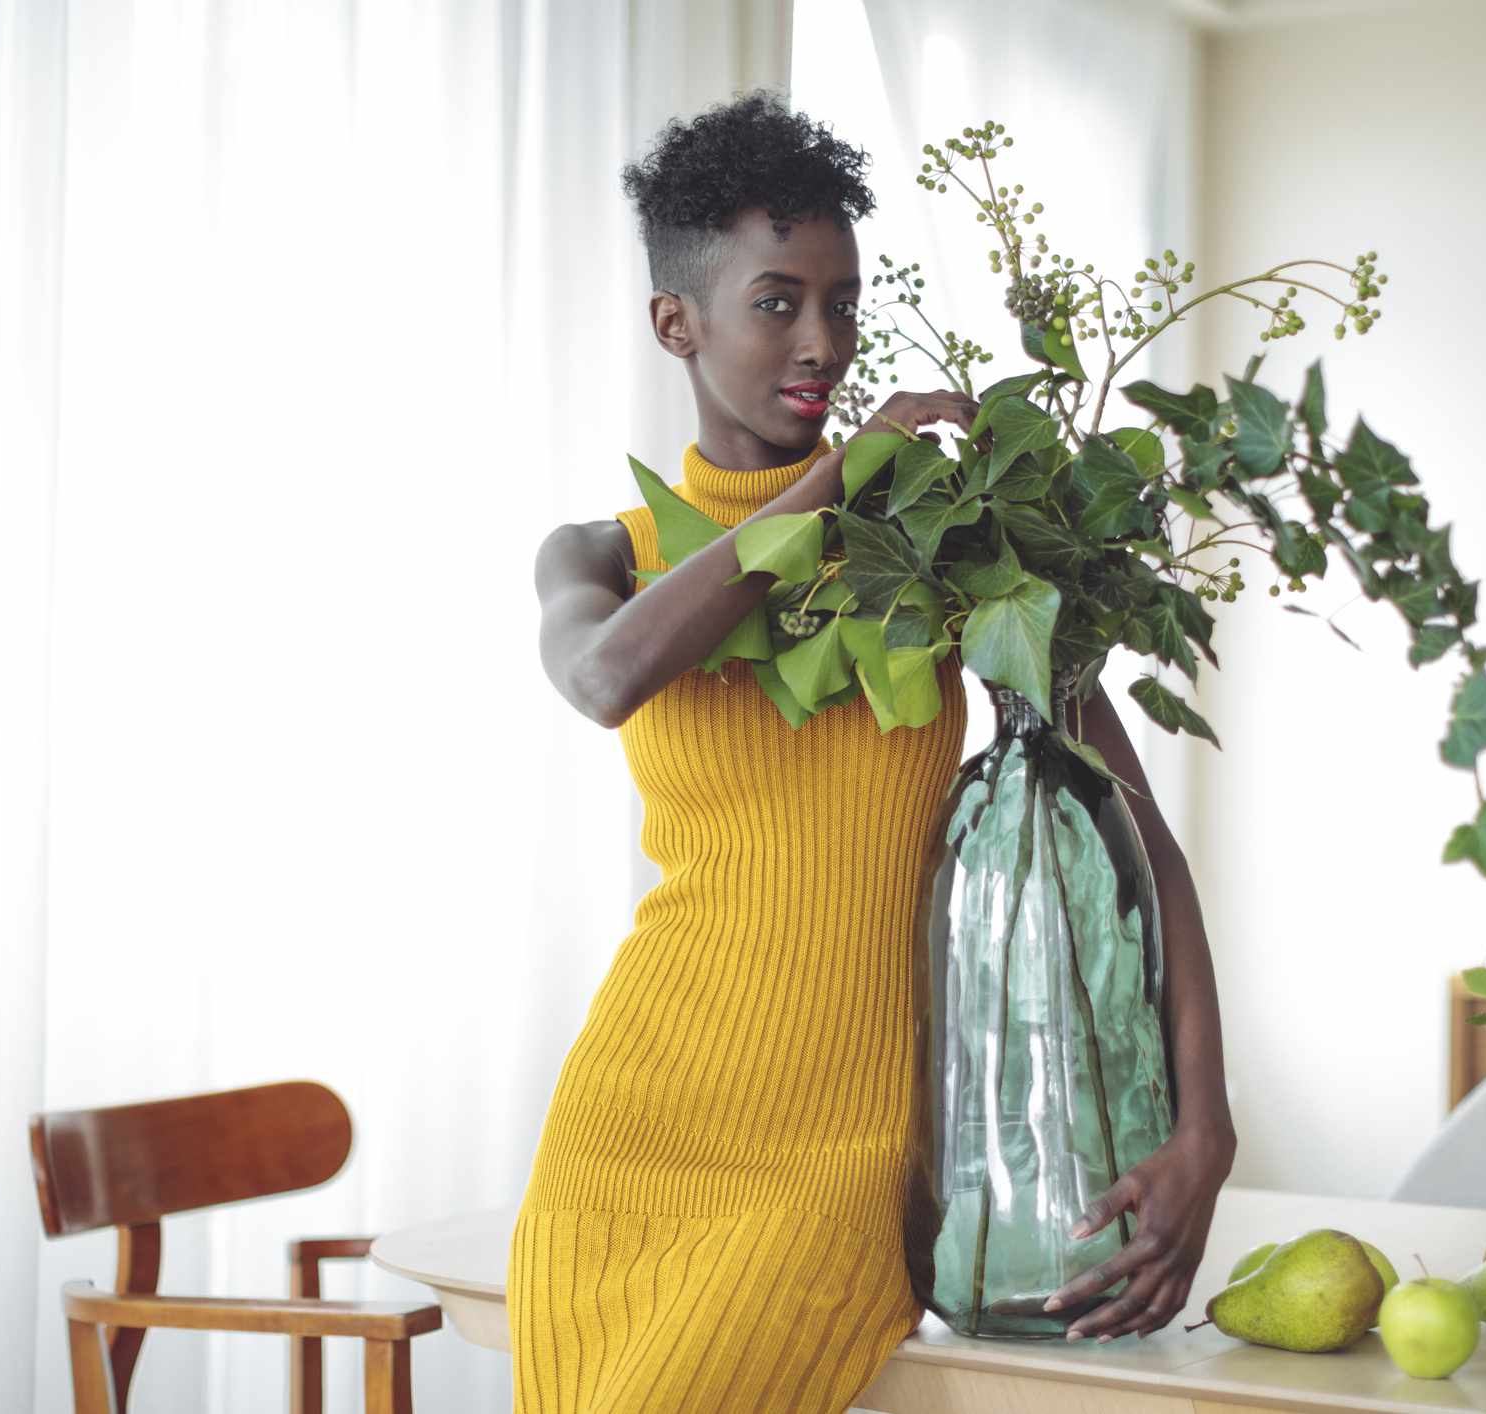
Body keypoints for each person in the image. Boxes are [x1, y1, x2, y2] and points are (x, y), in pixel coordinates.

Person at [513, 88, 1235, 1413]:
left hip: (842, 1162)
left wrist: (1208, 1127)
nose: (822, 341)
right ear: (676, 320)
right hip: (630, 1135)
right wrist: (842, 476)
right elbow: (607, 675)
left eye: (841, 303)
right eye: (776, 302)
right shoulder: (606, 556)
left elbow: (1139, 842)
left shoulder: (953, 553)